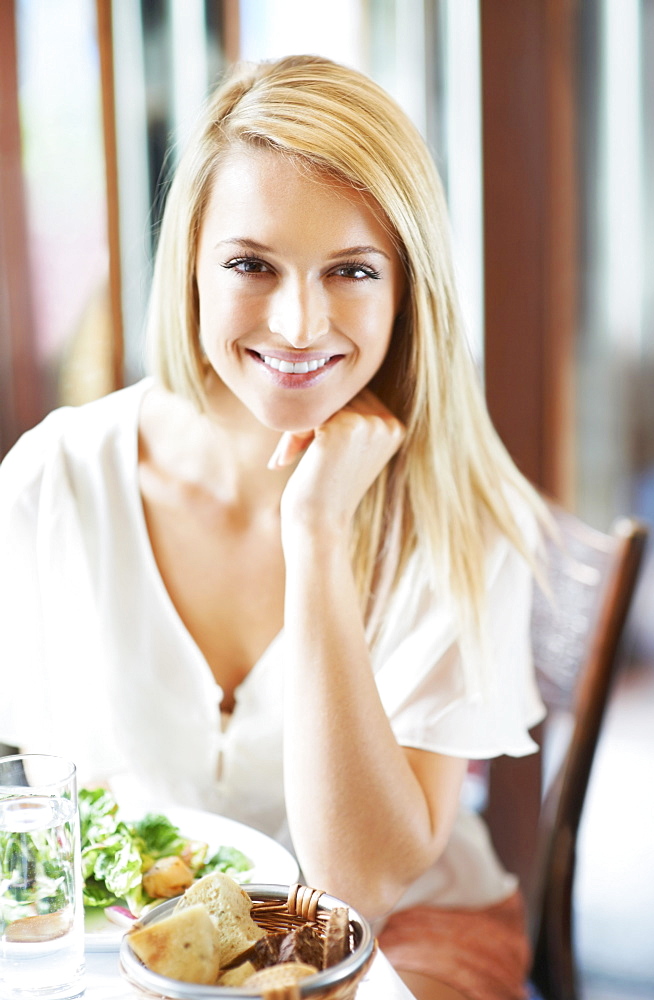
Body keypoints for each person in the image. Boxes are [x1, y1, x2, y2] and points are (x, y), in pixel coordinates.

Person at [0, 55, 549, 1000]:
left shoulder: (461, 518)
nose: (300, 324)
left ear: (406, 287)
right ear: (193, 271)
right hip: (152, 939)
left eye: (352, 270)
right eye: (253, 264)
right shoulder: (58, 478)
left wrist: (319, 535)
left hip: (411, 933)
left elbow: (359, 880)